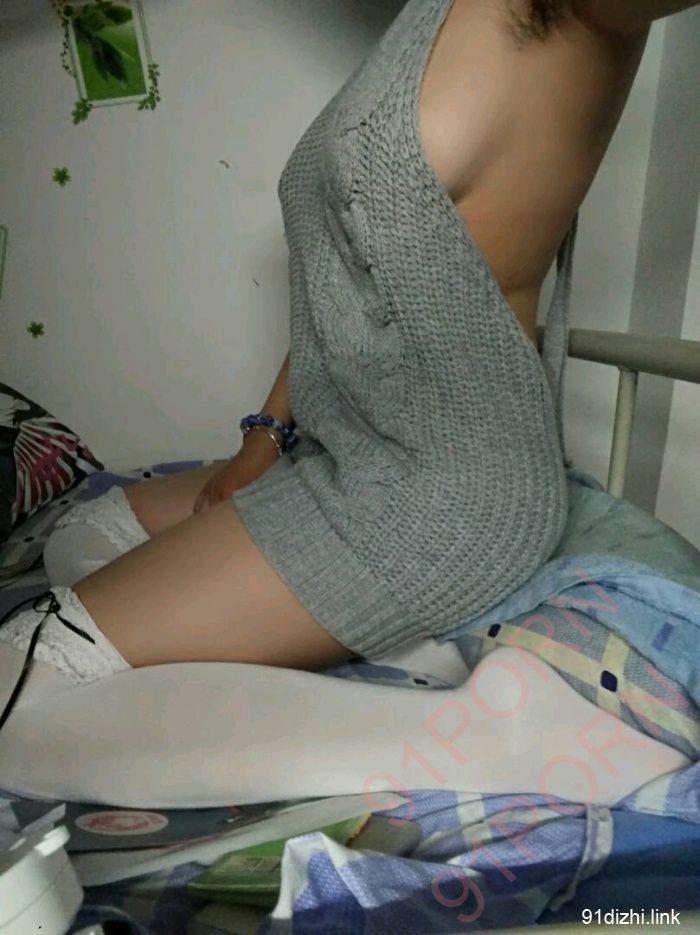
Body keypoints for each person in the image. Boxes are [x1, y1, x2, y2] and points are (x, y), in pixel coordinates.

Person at [0, 0, 696, 728]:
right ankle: (373, 638)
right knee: (83, 535)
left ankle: (453, 722)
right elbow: (348, 289)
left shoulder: (576, 14)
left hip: (447, 496)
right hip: (345, 453)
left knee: (25, 666)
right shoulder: (421, 22)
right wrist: (264, 437)